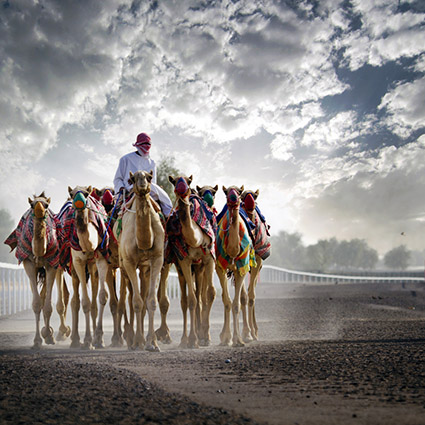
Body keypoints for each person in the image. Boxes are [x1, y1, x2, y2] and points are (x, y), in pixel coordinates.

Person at [113, 132, 173, 216]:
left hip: (148, 190)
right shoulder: (125, 159)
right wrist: (122, 188)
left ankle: (169, 217)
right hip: (129, 190)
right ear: (138, 145)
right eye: (144, 144)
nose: (146, 146)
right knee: (115, 213)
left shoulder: (152, 163)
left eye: (148, 144)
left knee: (165, 201)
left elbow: (153, 181)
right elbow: (117, 179)